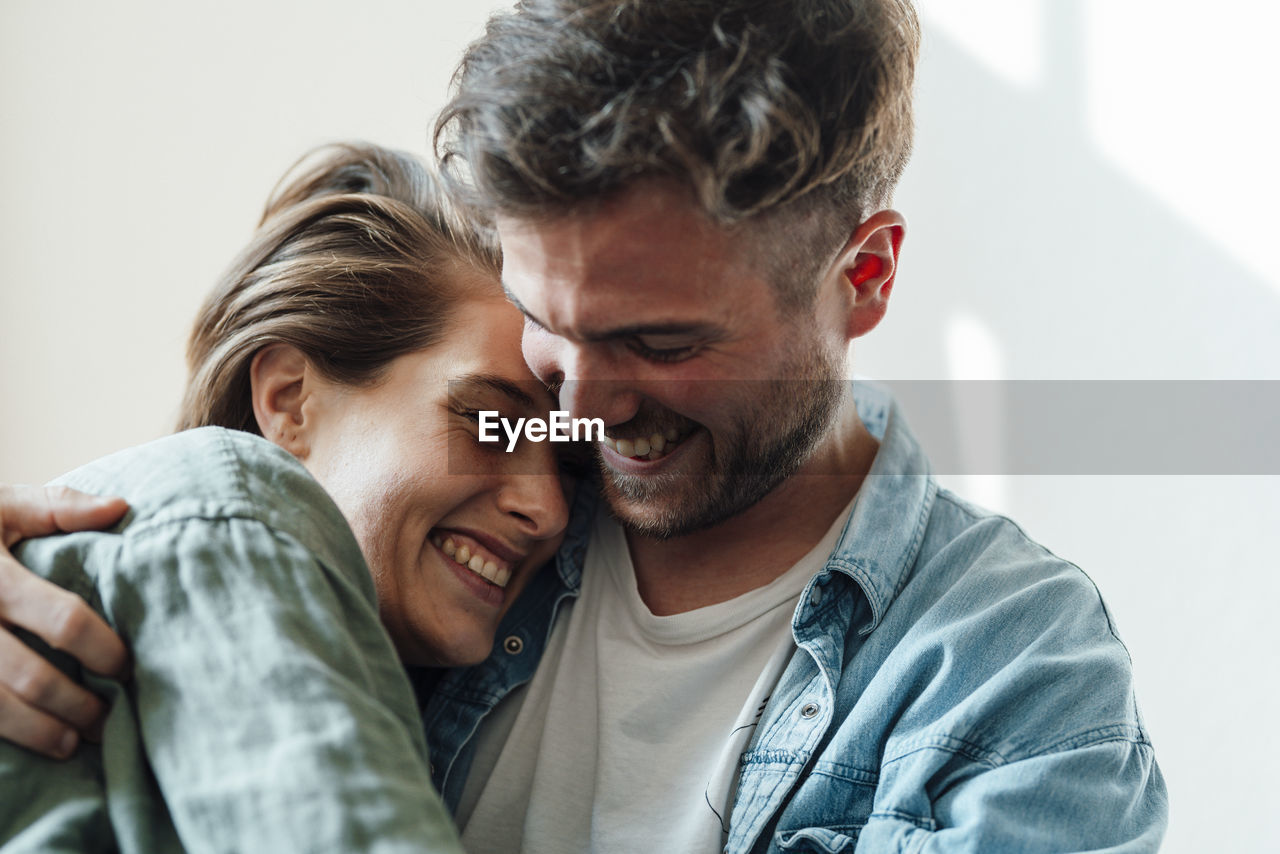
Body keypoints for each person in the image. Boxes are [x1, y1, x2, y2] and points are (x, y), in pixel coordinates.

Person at [1, 1, 1168, 852]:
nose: (579, 410)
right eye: (542, 325)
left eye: (661, 345)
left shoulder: (1013, 682)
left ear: (861, 276)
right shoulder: (441, 536)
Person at [0, 142, 569, 852]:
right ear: (290, 400)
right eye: (489, 423)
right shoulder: (231, 505)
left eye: (567, 455)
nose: (549, 509)